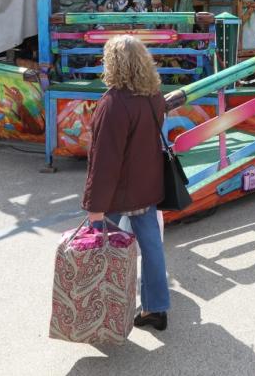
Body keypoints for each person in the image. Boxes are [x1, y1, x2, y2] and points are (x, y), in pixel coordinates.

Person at [82, 34, 170, 332]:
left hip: (118, 194)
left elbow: (105, 163)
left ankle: (102, 310)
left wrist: (95, 207)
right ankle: (156, 309)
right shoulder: (154, 96)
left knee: (101, 251)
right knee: (152, 247)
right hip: (147, 186)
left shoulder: (113, 104)